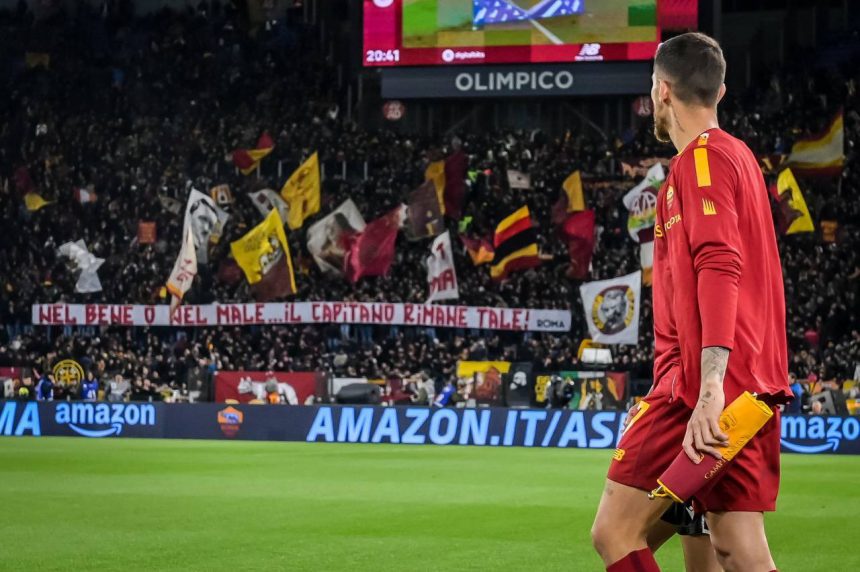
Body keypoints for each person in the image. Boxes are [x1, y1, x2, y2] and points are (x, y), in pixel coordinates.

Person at [591, 32, 792, 572]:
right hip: (745, 387)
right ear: (720, 91)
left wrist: (707, 389)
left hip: (708, 392)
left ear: (660, 90)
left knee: (616, 532)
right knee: (734, 546)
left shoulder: (700, 162)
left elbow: (720, 265)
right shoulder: (739, 158)